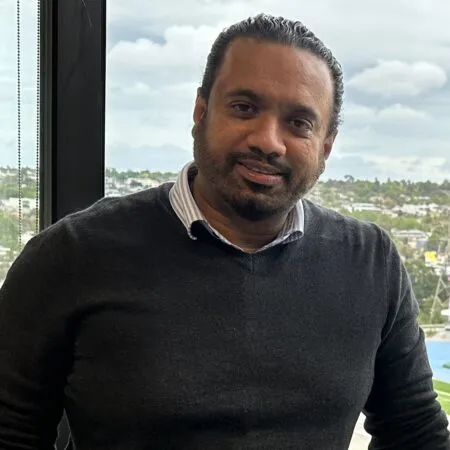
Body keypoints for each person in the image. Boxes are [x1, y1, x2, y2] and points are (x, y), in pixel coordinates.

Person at [0, 13, 449, 450]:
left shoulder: (370, 262)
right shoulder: (72, 255)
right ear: (201, 111)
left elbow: (413, 431)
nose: (268, 140)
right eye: (244, 108)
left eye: (299, 123)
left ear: (325, 147)